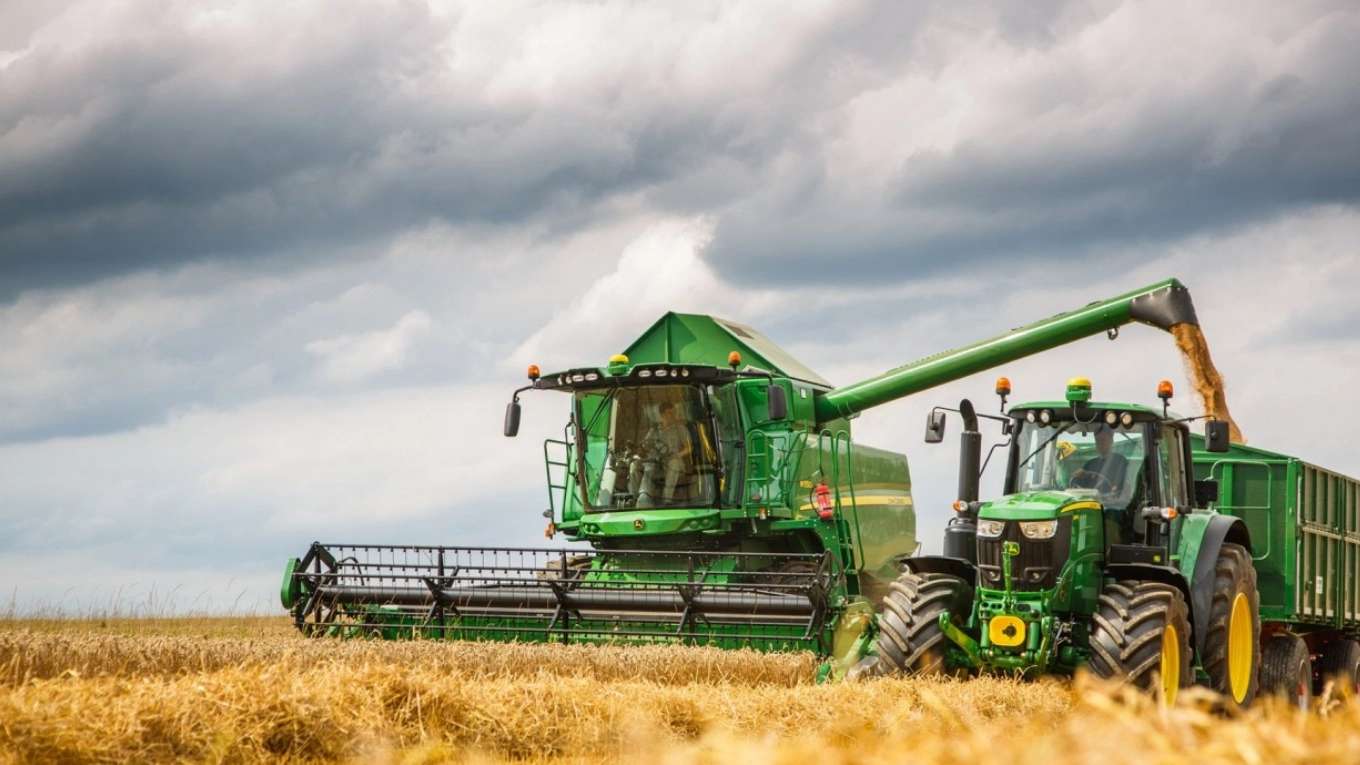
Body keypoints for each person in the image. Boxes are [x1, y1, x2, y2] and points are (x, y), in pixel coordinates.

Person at [1070, 427, 1128, 494]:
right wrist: (1077, 476)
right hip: (1091, 501)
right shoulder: (1090, 464)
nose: (1100, 443)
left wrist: (1115, 488)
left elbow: (1122, 483)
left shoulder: (1120, 461)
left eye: (1103, 440)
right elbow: (1080, 485)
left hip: (1112, 501)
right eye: (1098, 440)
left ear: (1111, 441)